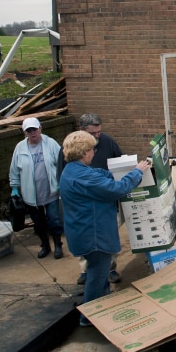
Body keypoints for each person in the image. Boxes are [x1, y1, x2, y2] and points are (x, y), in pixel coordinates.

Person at [59, 130, 150, 326]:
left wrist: (118, 170)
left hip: (83, 232)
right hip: (94, 235)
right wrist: (136, 172)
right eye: (92, 149)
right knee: (97, 276)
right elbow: (116, 190)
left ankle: (104, 307)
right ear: (84, 152)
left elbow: (99, 174)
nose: (94, 153)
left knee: (98, 275)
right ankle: (89, 317)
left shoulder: (72, 170)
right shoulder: (84, 177)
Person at [58, 113, 124, 285]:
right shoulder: (71, 153)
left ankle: (110, 269)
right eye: (93, 133)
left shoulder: (108, 142)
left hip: (104, 205)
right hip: (90, 212)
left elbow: (118, 164)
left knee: (107, 240)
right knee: (96, 252)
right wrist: (135, 174)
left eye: (99, 132)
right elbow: (116, 187)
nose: (97, 136)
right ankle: (87, 271)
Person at [9, 117, 63, 259]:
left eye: (35, 129)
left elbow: (62, 162)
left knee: (54, 220)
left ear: (40, 128)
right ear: (24, 132)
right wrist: (14, 187)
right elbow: (14, 169)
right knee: (39, 223)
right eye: (29, 130)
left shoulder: (50, 143)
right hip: (31, 195)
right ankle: (45, 245)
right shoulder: (20, 148)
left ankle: (58, 244)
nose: (33, 133)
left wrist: (61, 181)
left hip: (51, 191)